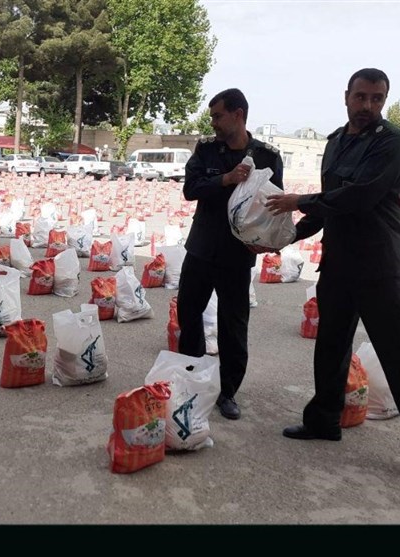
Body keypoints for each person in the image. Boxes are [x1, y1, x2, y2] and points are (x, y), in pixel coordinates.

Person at [265, 68, 400, 483]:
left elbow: (359, 196)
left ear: (384, 100)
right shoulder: (335, 142)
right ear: (346, 96)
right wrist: (286, 236)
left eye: (377, 98)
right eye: (361, 96)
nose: (368, 105)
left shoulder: (390, 143)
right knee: (331, 344)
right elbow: (329, 207)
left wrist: (299, 200)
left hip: (378, 266)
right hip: (339, 262)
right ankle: (324, 420)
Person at [177, 88, 283, 420]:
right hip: (201, 248)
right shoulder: (207, 149)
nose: (213, 122)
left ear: (238, 115)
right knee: (189, 317)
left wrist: (270, 240)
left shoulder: (267, 156)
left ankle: (228, 392)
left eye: (218, 116)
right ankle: (192, 380)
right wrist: (225, 179)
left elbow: (273, 206)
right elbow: (190, 189)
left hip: (237, 255)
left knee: (233, 326)